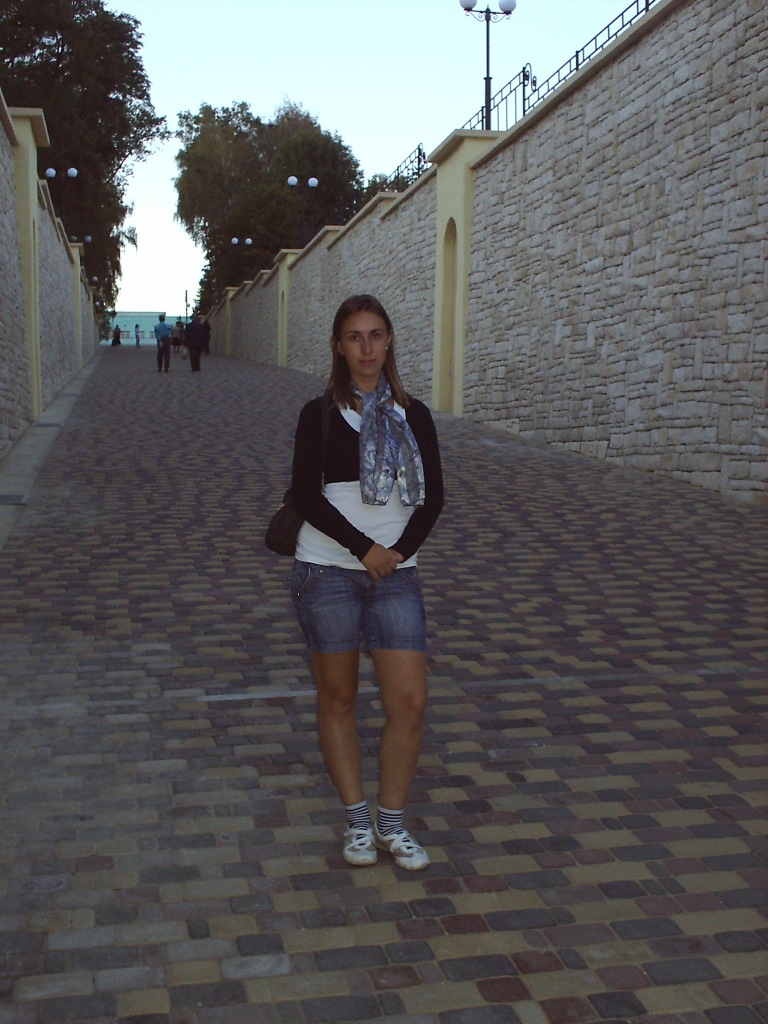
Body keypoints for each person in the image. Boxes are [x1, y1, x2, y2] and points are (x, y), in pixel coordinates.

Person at [289, 294, 444, 870]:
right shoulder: (319, 414)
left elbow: (433, 499)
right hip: (327, 569)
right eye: (354, 337)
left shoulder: (413, 415)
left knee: (410, 702)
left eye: (376, 335)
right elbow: (306, 496)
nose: (366, 348)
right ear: (338, 345)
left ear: (389, 341)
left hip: (396, 574)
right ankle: (358, 821)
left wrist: (396, 553)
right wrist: (365, 549)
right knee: (339, 699)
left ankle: (391, 824)